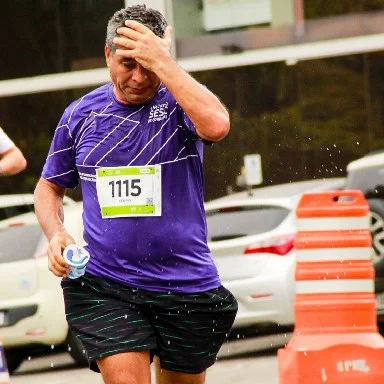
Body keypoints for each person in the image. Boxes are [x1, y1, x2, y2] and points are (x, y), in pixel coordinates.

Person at [34, 4, 237, 384]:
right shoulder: (80, 115)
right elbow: (49, 185)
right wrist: (56, 232)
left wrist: (164, 63)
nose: (140, 78)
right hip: (107, 284)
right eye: (128, 64)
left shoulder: (180, 100)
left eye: (150, 65)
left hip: (186, 284)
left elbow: (217, 125)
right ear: (108, 54)